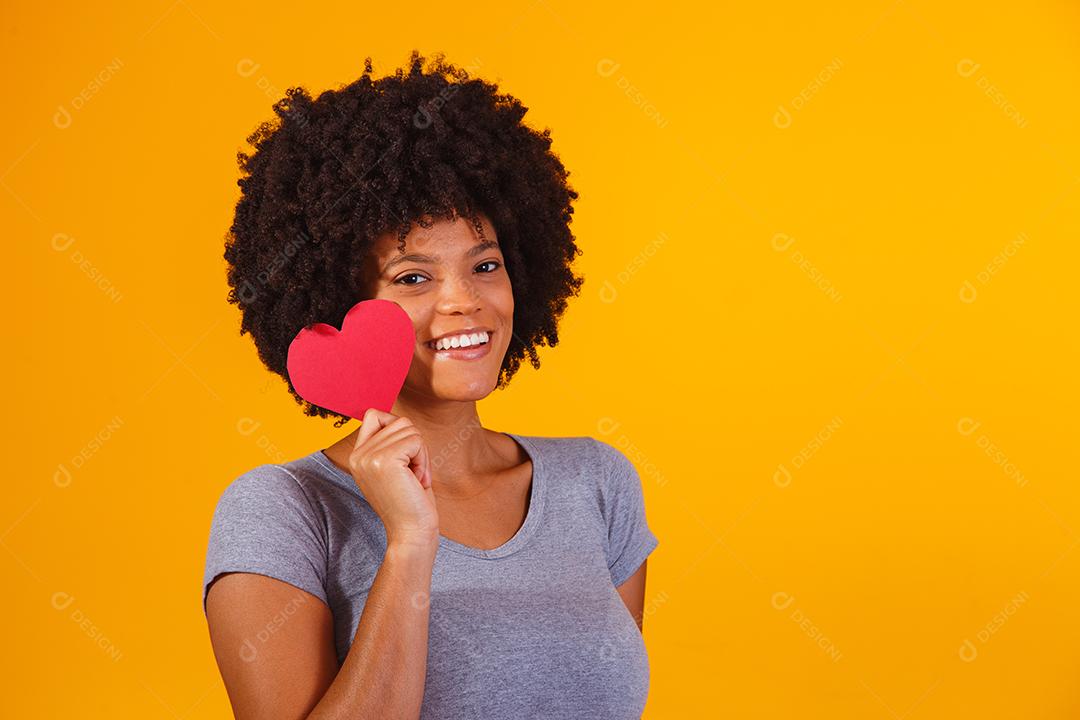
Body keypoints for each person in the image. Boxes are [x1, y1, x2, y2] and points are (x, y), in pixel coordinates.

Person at [202, 50, 659, 719]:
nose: (464, 301)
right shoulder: (283, 510)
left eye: (485, 264)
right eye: (414, 277)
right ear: (337, 304)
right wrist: (411, 542)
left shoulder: (596, 485)